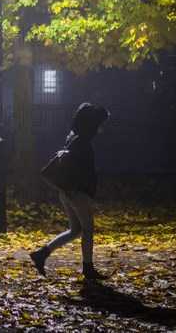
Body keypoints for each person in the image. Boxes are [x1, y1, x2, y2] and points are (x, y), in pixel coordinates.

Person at [30, 102, 109, 280]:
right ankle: (88, 268)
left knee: (75, 230)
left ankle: (42, 254)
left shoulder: (72, 137)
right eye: (98, 123)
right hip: (76, 192)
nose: (100, 127)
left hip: (65, 190)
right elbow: (83, 169)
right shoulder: (82, 142)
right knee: (88, 229)